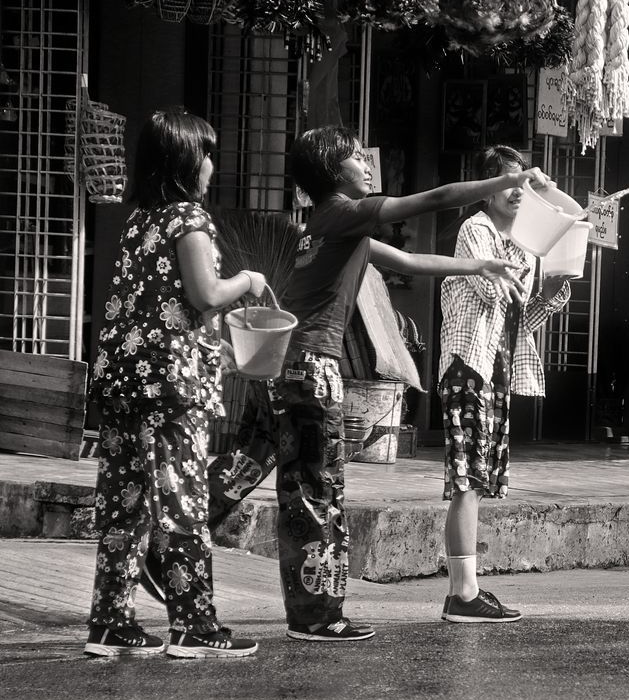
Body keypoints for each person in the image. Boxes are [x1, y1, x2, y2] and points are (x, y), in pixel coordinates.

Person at [274, 126, 540, 643]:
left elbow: (412, 262)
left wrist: (478, 264)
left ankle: (173, 550)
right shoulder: (344, 213)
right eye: (355, 156)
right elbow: (436, 199)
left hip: (290, 368)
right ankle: (317, 616)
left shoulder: (331, 227)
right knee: (319, 493)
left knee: (279, 480)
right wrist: (508, 179)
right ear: (334, 173)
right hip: (313, 368)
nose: (366, 161)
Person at [85, 109, 264, 658]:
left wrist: (217, 352)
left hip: (122, 383)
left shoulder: (139, 221)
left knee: (127, 501)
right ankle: (195, 625)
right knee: (182, 500)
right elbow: (207, 294)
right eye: (205, 153)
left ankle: (110, 622)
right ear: (185, 160)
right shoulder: (188, 218)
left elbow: (164, 308)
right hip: (168, 391)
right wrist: (248, 280)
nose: (212, 164)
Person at [437, 145, 576, 623]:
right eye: (510, 182)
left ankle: (465, 590)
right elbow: (490, 287)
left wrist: (553, 295)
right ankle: (463, 595)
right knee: (466, 480)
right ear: (488, 186)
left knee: (477, 479)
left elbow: (520, 318)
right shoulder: (475, 230)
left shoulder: (523, 241)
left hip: (496, 372)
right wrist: (534, 249)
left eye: (524, 183)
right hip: (467, 368)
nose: (518, 192)